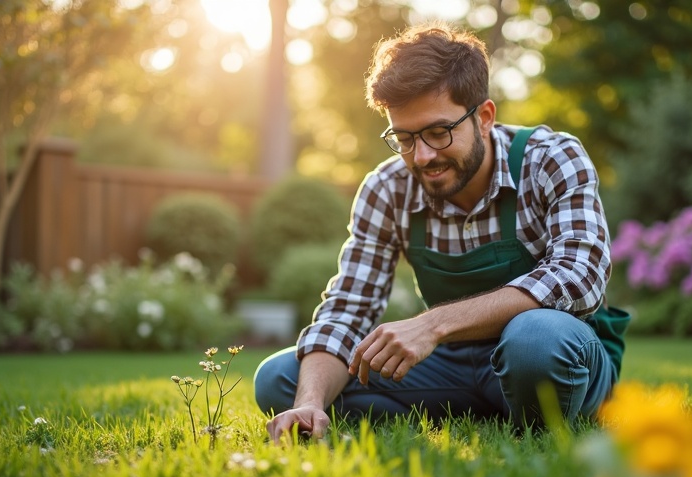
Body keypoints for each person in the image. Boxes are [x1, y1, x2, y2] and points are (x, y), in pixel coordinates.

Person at [254, 21, 628, 445]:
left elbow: (579, 275)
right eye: (404, 138)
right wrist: (310, 401)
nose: (422, 156)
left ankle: (537, 404)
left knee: (535, 340)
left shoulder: (551, 159)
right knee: (281, 379)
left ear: (484, 118)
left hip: (554, 351)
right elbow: (348, 308)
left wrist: (433, 325)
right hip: (451, 366)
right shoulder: (387, 188)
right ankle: (484, 405)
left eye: (438, 132)